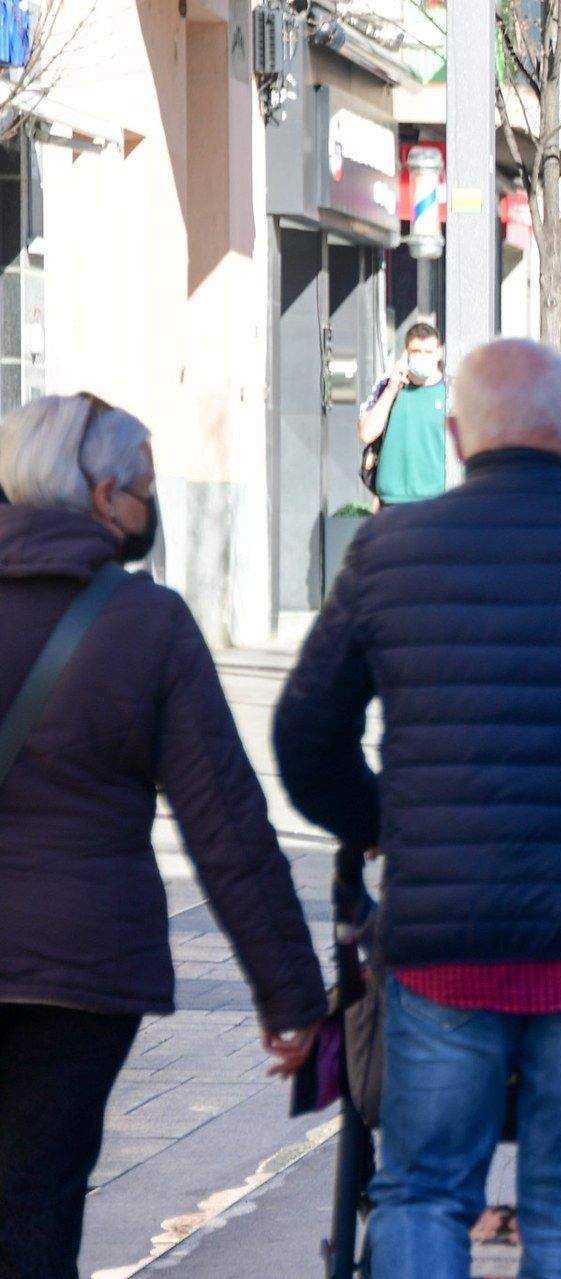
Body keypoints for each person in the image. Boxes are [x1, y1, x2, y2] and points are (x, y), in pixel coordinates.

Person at [273, 339, 561, 1279]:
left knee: (422, 1187)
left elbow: (302, 737)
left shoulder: (388, 548)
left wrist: (380, 822)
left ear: (452, 431)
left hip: (442, 938)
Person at [0, 395, 326, 1279]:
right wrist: (292, 997)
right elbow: (225, 825)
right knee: (33, 1202)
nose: (152, 504)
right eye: (146, 487)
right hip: (78, 978)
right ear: (104, 496)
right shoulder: (146, 624)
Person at [359, 321, 450, 507]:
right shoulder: (387, 386)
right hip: (393, 501)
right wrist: (393, 388)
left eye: (428, 352)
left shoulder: (451, 392)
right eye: (416, 352)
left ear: (439, 352)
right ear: (406, 353)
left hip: (438, 502)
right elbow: (367, 433)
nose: (423, 357)